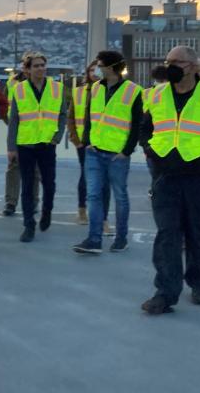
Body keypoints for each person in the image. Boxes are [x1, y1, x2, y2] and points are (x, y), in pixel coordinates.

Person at [139, 45, 200, 314]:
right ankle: (165, 293)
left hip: (199, 176)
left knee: (197, 233)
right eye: (168, 60)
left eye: (178, 62)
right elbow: (144, 128)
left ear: (194, 67)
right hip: (165, 176)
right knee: (167, 234)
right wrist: (149, 148)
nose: (170, 66)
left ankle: (198, 283)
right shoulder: (157, 95)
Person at [73, 51, 143, 254]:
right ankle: (94, 239)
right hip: (95, 151)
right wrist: (87, 142)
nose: (96, 69)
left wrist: (127, 151)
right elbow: (88, 117)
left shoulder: (133, 91)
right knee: (93, 195)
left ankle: (121, 238)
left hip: (117, 154)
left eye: (100, 65)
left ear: (112, 68)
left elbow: (137, 123)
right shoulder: (95, 89)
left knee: (120, 196)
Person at [7, 52, 67, 242]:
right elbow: (14, 119)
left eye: (43, 65)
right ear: (27, 69)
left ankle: (46, 212)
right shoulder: (19, 90)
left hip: (47, 144)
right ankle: (28, 225)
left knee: (49, 184)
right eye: (36, 66)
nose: (41, 68)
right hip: (26, 144)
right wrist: (11, 147)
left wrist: (57, 137)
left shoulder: (57, 88)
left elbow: (63, 114)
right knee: (27, 186)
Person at [2, 52, 42, 217]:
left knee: (34, 170)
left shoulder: (42, 85)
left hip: (37, 133)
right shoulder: (12, 83)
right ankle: (11, 202)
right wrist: (9, 122)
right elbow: (4, 104)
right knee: (13, 167)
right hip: (18, 130)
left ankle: (33, 202)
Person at [67, 61, 103, 225]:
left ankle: (99, 213)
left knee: (102, 178)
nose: (95, 73)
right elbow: (71, 117)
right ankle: (82, 209)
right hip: (83, 142)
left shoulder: (107, 92)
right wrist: (75, 139)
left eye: (98, 70)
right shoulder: (79, 92)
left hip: (102, 141)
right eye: (92, 70)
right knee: (86, 174)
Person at [143, 64, 169, 183]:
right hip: (165, 137)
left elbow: (142, 118)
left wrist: (145, 144)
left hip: (152, 138)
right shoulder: (172, 92)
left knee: (155, 172)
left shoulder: (147, 93)